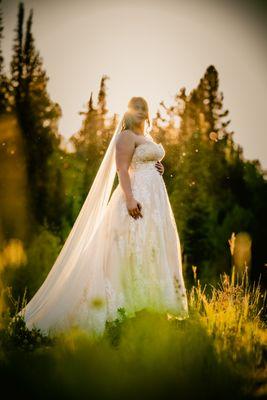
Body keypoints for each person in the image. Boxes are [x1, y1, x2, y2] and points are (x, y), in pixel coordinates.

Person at [19, 96, 189, 338]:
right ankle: (122, 312)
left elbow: (147, 159)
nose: (141, 112)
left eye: (144, 108)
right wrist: (130, 199)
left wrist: (158, 167)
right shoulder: (125, 136)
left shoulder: (147, 137)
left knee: (151, 247)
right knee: (130, 250)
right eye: (136, 108)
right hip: (135, 199)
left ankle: (149, 309)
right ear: (129, 112)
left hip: (156, 203)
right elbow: (122, 168)